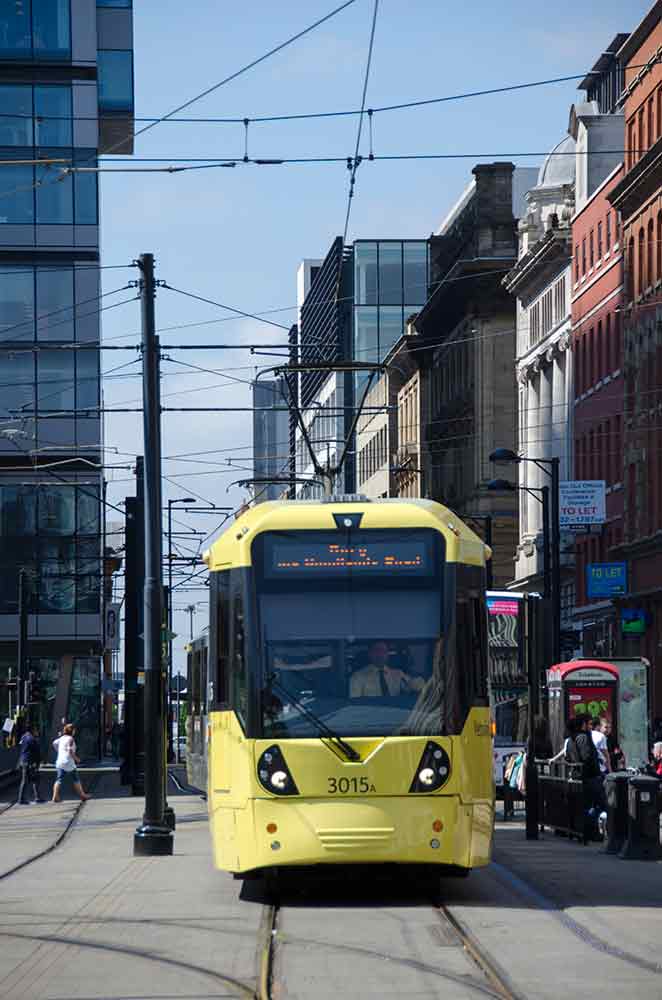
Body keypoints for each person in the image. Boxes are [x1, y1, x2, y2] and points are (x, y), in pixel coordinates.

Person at [350, 641, 424, 698]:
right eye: (376, 651)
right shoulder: (357, 677)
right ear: (370, 654)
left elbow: (414, 686)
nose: (380, 654)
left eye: (383, 651)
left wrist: (416, 680)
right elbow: (355, 704)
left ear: (387, 654)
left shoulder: (398, 674)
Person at [52, 724, 90, 802]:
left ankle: (55, 796)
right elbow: (70, 751)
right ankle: (83, 795)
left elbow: (54, 743)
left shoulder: (61, 738)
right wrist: (77, 759)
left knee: (58, 780)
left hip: (60, 762)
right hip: (68, 762)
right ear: (72, 731)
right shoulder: (71, 739)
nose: (75, 731)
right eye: (74, 730)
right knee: (76, 778)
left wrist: (59, 751)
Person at [17, 724, 42, 804]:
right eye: (35, 730)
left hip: (23, 761)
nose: (36, 731)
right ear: (32, 730)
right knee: (34, 779)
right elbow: (36, 752)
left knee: (26, 780)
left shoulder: (23, 737)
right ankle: (36, 798)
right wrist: (38, 762)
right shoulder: (32, 739)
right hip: (30, 762)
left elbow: (22, 748)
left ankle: (23, 799)